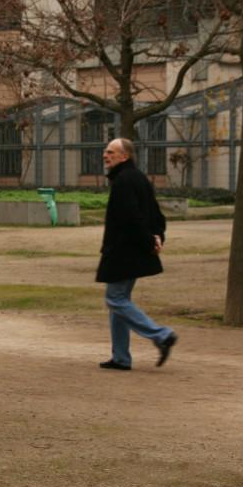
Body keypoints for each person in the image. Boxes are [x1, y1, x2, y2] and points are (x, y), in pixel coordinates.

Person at [96, 138, 177, 370]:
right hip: (132, 249)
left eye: (110, 152)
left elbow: (133, 218)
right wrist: (157, 236)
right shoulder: (138, 178)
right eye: (105, 151)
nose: (105, 155)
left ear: (125, 156)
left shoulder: (123, 181)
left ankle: (162, 335)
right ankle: (121, 357)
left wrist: (149, 242)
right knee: (119, 301)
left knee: (115, 299)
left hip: (124, 251)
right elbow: (155, 214)